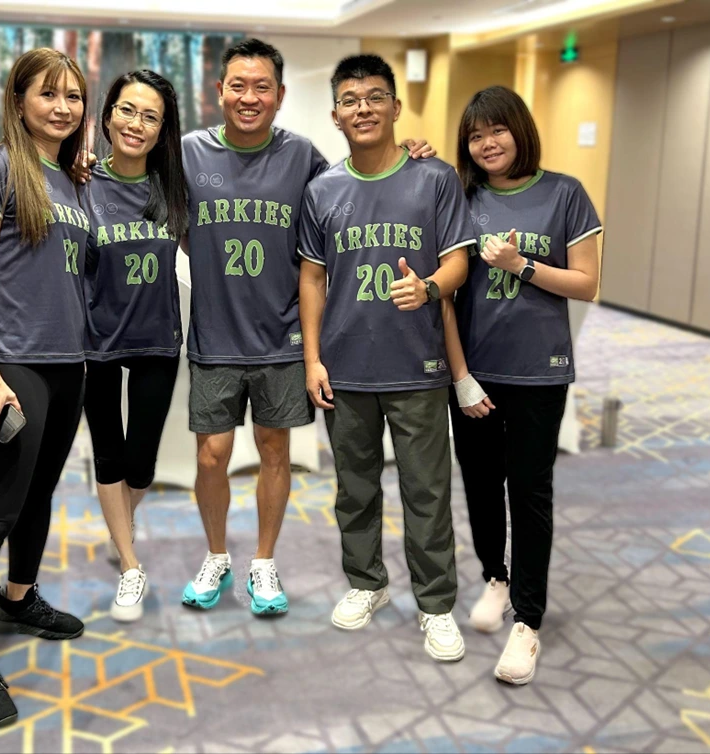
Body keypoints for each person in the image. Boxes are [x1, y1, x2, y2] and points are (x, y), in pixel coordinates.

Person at [179, 38, 435, 616]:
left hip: (282, 339)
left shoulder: (304, 157)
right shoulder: (189, 153)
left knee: (275, 452)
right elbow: (152, 198)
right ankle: (217, 553)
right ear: (219, 90)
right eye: (238, 85)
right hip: (215, 338)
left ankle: (264, 562)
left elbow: (359, 182)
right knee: (211, 457)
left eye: (262, 86)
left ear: (281, 95)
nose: (249, 97)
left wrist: (409, 148)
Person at [298, 54, 473, 662]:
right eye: (350, 99)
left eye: (375, 96)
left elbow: (458, 262)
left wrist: (426, 287)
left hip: (417, 366)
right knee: (355, 488)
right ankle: (366, 583)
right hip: (345, 370)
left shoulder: (435, 179)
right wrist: (313, 360)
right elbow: (312, 280)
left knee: (427, 491)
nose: (363, 108)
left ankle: (436, 604)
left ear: (396, 108)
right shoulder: (322, 190)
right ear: (336, 115)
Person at [0, 48, 90, 728]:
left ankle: (19, 598)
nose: (62, 107)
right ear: (20, 98)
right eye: (48, 94)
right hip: (18, 366)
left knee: (39, 496)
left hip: (69, 366)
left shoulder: (70, 181)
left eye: (73, 96)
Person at [444, 85, 601, 685]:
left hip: (540, 371)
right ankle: (495, 577)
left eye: (498, 131)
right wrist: (459, 376)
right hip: (476, 372)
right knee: (481, 482)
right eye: (476, 135)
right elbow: (449, 296)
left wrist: (521, 266)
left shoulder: (564, 194)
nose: (487, 144)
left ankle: (528, 620)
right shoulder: (461, 195)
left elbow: (587, 283)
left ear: (520, 130)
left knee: (529, 491)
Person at [82, 70, 188, 623]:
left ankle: (118, 524)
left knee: (141, 463)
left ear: (162, 128)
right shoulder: (79, 182)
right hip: (94, 343)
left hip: (157, 341)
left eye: (150, 116)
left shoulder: (173, 187)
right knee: (109, 454)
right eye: (127, 111)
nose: (136, 124)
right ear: (106, 117)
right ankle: (130, 564)